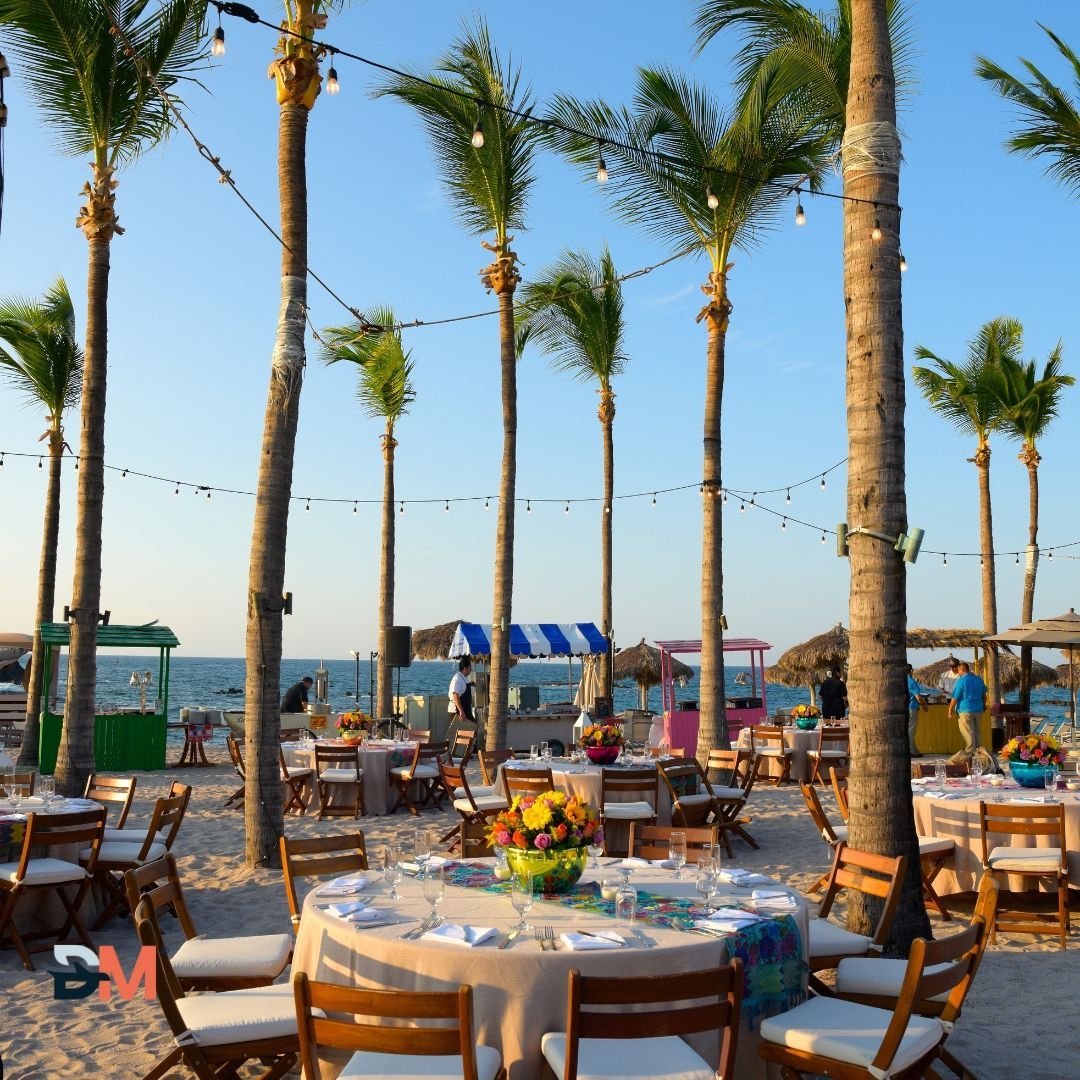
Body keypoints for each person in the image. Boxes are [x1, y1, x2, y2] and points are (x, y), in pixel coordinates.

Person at [948, 662, 998, 768]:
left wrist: (950, 709)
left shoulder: (962, 681)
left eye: (958, 670)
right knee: (976, 732)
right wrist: (984, 706)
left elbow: (955, 697)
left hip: (965, 710)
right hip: (978, 709)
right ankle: (980, 754)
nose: (958, 672)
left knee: (968, 733)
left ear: (962, 670)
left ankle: (970, 757)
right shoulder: (978, 680)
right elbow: (984, 695)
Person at [907, 664, 929, 757]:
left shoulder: (900, 680)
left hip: (904, 708)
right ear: (911, 671)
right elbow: (918, 697)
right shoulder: (911, 682)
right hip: (912, 707)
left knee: (907, 730)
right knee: (911, 730)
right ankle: (912, 751)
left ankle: (913, 749)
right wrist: (924, 705)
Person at [448, 657, 475, 725]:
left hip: (466, 710)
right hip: (457, 711)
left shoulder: (463, 677)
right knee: (467, 729)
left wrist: (471, 684)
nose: (471, 670)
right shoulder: (457, 678)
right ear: (465, 668)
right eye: (470, 668)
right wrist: (461, 711)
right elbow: (455, 695)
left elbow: (463, 687)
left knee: (472, 727)